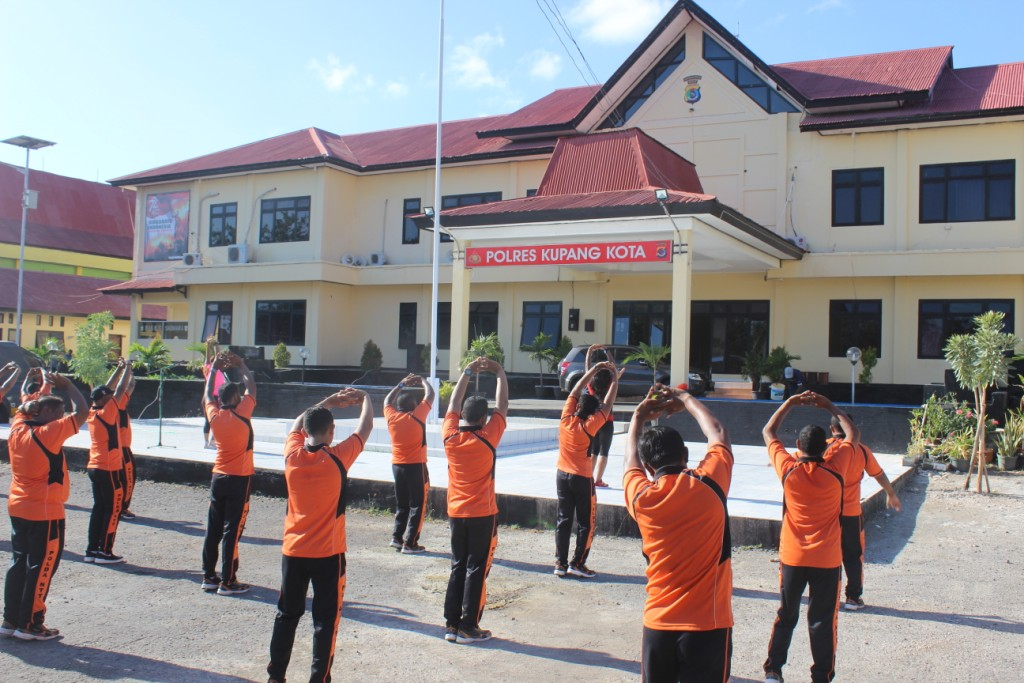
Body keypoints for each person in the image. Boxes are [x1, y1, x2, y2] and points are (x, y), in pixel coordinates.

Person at [623, 385, 734, 682]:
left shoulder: (640, 498)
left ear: (647, 467)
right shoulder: (710, 485)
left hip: (658, 623)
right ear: (685, 454)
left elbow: (629, 462)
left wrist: (638, 417)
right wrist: (685, 398)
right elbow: (718, 433)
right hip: (708, 625)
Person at [267, 387, 373, 683]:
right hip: (328, 553)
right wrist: (365, 398)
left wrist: (328, 402)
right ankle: (319, 678)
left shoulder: (292, 456)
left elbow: (295, 424)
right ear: (332, 430)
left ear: (306, 431)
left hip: (294, 551)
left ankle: (275, 676)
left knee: (287, 615)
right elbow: (365, 428)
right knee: (325, 621)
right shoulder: (338, 458)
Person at [762, 391, 855, 683]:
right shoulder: (837, 467)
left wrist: (790, 403)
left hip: (793, 556)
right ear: (826, 447)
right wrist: (828, 404)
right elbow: (852, 433)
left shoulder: (789, 470)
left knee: (786, 615)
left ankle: (774, 671)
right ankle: (821, 676)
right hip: (827, 559)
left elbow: (768, 431)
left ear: (798, 446)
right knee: (822, 621)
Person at [3, 371, 88, 640]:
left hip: (19, 506)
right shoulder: (49, 433)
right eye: (60, 410)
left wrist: (46, 384)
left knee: (19, 563)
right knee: (41, 567)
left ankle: (10, 620)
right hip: (45, 510)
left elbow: (30, 404)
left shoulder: (18, 426)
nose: (64, 415)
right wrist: (69, 386)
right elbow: (83, 411)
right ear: (48, 412)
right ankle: (31, 624)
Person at [442, 357, 508, 645]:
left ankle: (451, 624)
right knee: (475, 568)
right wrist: (500, 373)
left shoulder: (450, 437)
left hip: (456, 510)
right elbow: (503, 406)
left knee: (457, 565)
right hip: (481, 512)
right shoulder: (489, 437)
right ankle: (469, 625)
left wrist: (467, 373)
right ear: (483, 418)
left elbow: (452, 405)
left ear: (463, 417)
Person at [826, 414, 902, 611]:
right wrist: (891, 493)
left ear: (831, 429)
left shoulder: (824, 447)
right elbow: (879, 474)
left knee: (826, 553)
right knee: (853, 555)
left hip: (825, 513)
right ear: (853, 428)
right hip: (850, 513)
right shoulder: (862, 450)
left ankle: (826, 596)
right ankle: (853, 598)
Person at [555, 360, 617, 578]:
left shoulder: (565, 419)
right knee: (585, 523)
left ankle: (560, 564)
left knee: (563, 519)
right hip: (582, 478)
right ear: (592, 412)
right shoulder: (590, 426)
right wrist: (615, 379)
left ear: (578, 406)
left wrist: (591, 370)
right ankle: (577, 563)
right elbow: (608, 404)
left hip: (561, 475)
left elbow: (574, 390)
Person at [201, 351, 257, 596]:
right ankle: (228, 580)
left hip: (218, 476)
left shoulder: (214, 415)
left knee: (213, 528)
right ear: (236, 398)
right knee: (231, 530)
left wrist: (214, 369)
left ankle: (208, 576)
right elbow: (252, 387)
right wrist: (242, 365)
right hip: (239, 478)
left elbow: (206, 395)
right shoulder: (242, 412)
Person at [85, 359, 132, 564]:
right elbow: (120, 388)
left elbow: (110, 388)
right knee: (112, 509)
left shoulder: (93, 411)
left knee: (99, 508)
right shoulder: (108, 410)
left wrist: (120, 368)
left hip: (95, 465)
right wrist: (129, 368)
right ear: (105, 399)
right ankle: (105, 551)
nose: (115, 397)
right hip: (109, 467)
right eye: (110, 397)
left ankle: (92, 550)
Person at [384, 373, 436, 554]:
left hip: (397, 466)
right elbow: (430, 395)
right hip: (416, 465)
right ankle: (411, 543)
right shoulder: (417, 416)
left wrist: (401, 384)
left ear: (398, 407)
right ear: (414, 406)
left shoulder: (391, 417)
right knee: (418, 504)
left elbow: (387, 401)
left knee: (402, 503)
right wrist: (422, 380)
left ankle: (397, 538)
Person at [584, 345, 621, 488]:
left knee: (593, 451)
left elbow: (588, 369)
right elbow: (614, 368)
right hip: (607, 421)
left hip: (594, 421)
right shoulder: (610, 386)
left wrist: (589, 351)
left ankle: (589, 477)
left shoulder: (590, 385)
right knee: (604, 452)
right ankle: (598, 480)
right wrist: (607, 351)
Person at [116, 367, 138, 520]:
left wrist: (128, 371)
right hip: (122, 450)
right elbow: (127, 387)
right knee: (128, 480)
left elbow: (128, 387)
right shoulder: (116, 405)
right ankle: (122, 508)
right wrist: (128, 370)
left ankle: (118, 508)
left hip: (115, 449)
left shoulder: (102, 408)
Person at [202, 336, 227, 449]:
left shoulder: (207, 368)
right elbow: (218, 355)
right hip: (216, 397)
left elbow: (207, 358)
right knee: (216, 420)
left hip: (206, 398)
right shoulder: (216, 370)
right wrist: (216, 344)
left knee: (207, 420)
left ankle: (206, 442)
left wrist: (208, 346)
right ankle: (212, 442)